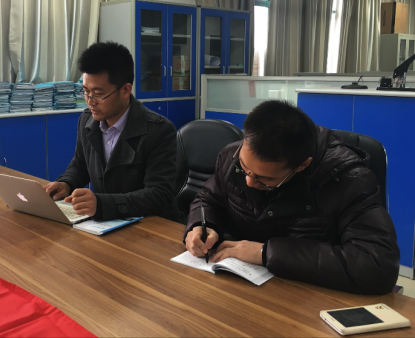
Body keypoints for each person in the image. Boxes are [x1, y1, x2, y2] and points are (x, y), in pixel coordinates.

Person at [185, 100, 400, 295]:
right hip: (244, 288)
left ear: (302, 165)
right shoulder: (230, 156)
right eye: (244, 168)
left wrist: (265, 253)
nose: (249, 181)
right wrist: (203, 225)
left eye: (264, 178)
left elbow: (377, 265)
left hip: (311, 298)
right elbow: (209, 198)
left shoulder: (349, 179)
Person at [44, 41, 183, 223]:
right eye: (85, 92)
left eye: (98, 94)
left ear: (125, 90)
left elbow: (159, 194)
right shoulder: (87, 121)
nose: (90, 101)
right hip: (108, 224)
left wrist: (103, 204)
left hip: (153, 226)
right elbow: (80, 165)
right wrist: (66, 183)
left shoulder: (158, 130)